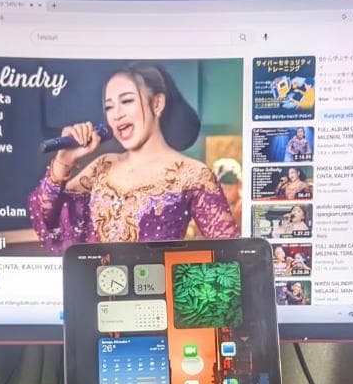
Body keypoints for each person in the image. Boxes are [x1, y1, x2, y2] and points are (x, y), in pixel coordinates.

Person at [28, 63, 238, 253]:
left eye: (127, 101)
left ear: (157, 103)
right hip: (99, 283)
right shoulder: (102, 166)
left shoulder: (194, 175)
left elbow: (230, 257)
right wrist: (65, 160)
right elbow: (44, 218)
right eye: (109, 107)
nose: (117, 114)